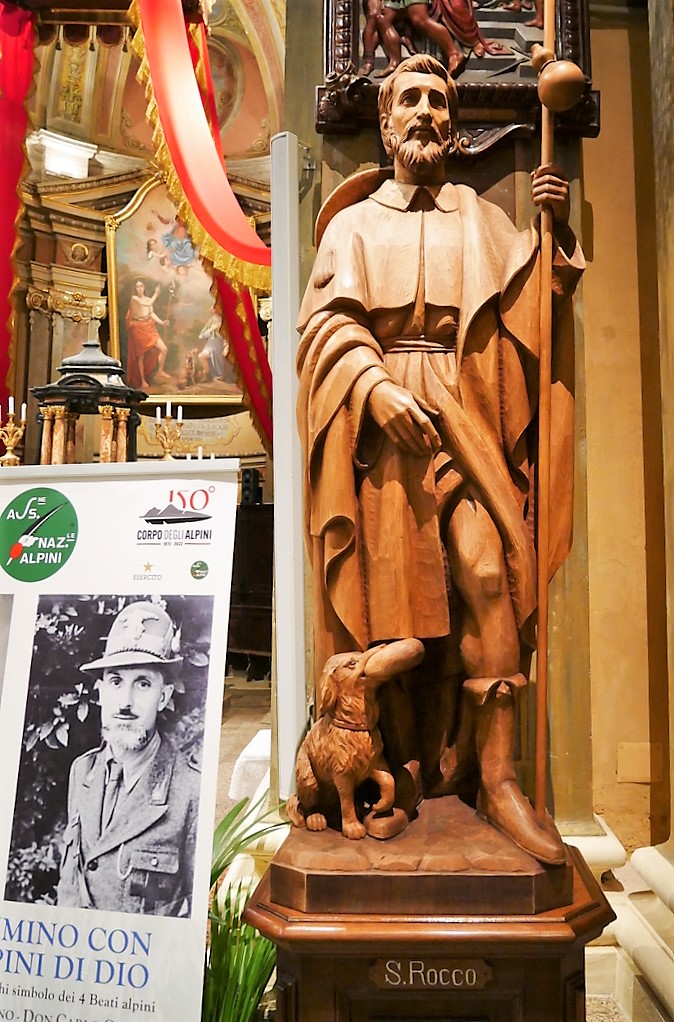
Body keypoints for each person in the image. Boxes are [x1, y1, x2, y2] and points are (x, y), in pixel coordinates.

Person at [296, 55, 584, 863]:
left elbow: (530, 312)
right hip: (382, 429)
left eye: (438, 101)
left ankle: (499, 777)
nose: (425, 112)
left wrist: (552, 238)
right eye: (411, 100)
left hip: (464, 411)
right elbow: (322, 330)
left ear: (451, 125)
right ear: (386, 123)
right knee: (391, 611)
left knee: (491, 574)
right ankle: (391, 763)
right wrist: (372, 387)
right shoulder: (352, 226)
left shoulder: (479, 218)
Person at [57, 601, 200, 916]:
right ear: (100, 693)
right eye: (116, 681)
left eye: (143, 684)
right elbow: (73, 883)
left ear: (163, 697)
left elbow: (196, 914)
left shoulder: (190, 791)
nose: (125, 702)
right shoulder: (82, 771)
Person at [126, 280, 172, 391]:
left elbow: (151, 313)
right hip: (138, 328)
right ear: (135, 288)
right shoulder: (134, 299)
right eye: (137, 286)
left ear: (144, 287)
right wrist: (156, 294)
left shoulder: (147, 299)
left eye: (141, 286)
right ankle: (143, 380)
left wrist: (162, 322)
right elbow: (147, 304)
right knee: (141, 356)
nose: (140, 288)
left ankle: (160, 370)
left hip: (149, 327)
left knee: (163, 349)